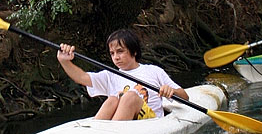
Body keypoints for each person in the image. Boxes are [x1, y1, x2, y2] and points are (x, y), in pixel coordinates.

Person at [57, 28, 189, 121]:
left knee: (129, 96)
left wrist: (171, 91)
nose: (116, 57)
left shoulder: (154, 71)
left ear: (134, 51)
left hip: (151, 123)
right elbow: (81, 78)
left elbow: (185, 97)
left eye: (120, 51)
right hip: (124, 125)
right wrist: (64, 61)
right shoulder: (111, 75)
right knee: (113, 99)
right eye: (112, 53)